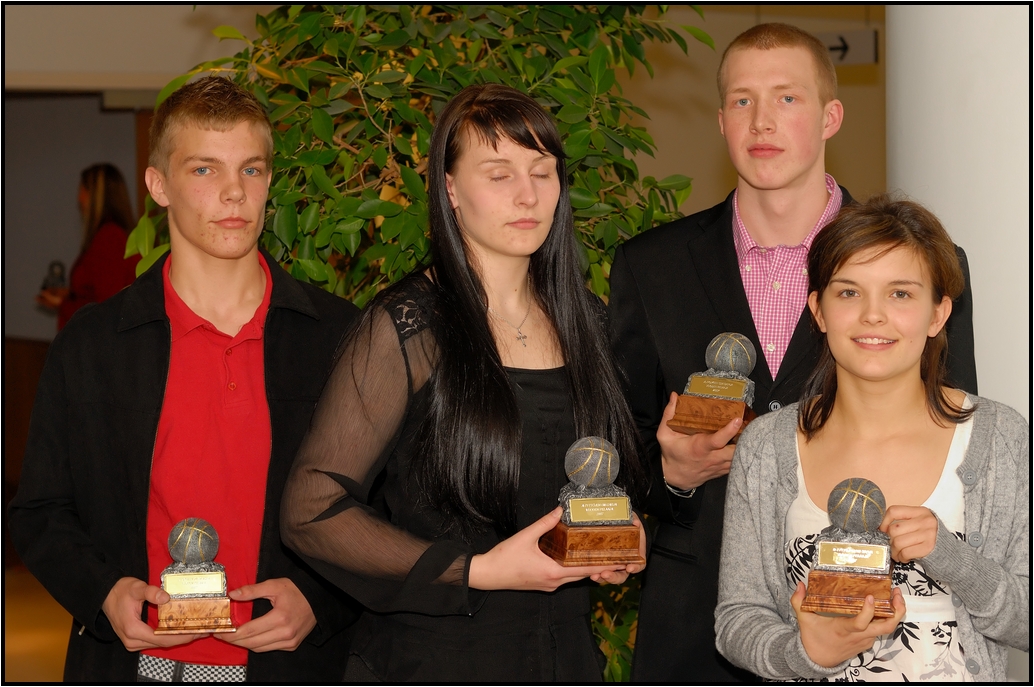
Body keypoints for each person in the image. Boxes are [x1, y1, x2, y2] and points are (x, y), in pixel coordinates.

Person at [607, 23, 979, 681]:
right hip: (697, 630)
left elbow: (956, 444)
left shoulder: (922, 268)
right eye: (742, 100)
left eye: (786, 98)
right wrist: (671, 474)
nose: (762, 121)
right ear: (722, 121)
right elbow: (617, 441)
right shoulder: (650, 266)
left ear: (831, 116)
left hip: (874, 626)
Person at [279, 83, 647, 682]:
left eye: (542, 172)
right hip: (437, 659)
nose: (527, 194)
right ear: (450, 189)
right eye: (499, 175)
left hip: (563, 657)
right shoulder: (409, 326)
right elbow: (310, 508)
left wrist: (618, 535)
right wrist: (480, 570)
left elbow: (604, 474)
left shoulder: (589, 320)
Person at [8, 76, 359, 683]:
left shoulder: (340, 336)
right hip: (134, 666)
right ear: (158, 185)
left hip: (294, 666)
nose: (233, 191)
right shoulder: (93, 344)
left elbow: (386, 503)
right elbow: (40, 511)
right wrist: (103, 591)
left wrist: (321, 598)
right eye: (203, 169)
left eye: (251, 169)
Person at [715, 196, 1028, 681]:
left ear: (938, 314)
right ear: (818, 310)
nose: (873, 315)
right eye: (848, 292)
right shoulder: (765, 446)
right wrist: (807, 652)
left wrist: (953, 558)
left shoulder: (1001, 438)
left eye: (900, 293)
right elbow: (737, 619)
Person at [35, 163, 141, 330]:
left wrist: (62, 304)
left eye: (82, 190)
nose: (79, 199)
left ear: (96, 196)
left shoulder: (110, 238)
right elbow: (99, 291)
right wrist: (70, 295)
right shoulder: (112, 235)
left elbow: (107, 306)